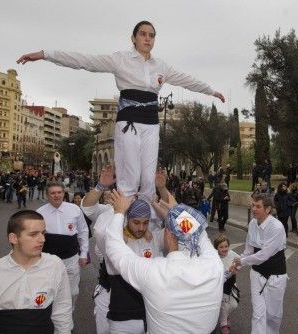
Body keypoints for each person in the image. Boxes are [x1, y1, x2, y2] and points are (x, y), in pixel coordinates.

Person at [17, 20, 225, 212]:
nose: (147, 39)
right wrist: (46, 54)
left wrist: (211, 91)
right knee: (130, 175)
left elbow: (187, 79)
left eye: (151, 35)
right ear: (133, 38)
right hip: (129, 122)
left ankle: (144, 218)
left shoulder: (161, 66)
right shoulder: (120, 60)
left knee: (147, 178)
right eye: (142, 34)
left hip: (151, 124)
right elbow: (84, 61)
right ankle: (123, 214)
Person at [105, 190, 224, 334]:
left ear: (168, 233)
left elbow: (114, 248)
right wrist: (178, 214)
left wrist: (119, 212)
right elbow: (200, 235)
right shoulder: (214, 266)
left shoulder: (154, 273)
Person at [81, 166, 164, 334]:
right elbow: (89, 210)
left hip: (147, 298)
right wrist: (103, 189)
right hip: (112, 290)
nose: (141, 227)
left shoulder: (152, 216)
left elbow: (178, 227)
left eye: (145, 223)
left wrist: (161, 190)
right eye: (136, 222)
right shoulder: (110, 213)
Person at [0, 210, 73, 333]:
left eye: (43, 233)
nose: (42, 239)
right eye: (33, 234)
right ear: (13, 238)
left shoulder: (55, 265)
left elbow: (62, 309)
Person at [233, 193, 287, 334]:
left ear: (268, 209)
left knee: (273, 315)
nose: (254, 209)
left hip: (275, 277)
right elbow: (249, 250)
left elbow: (264, 255)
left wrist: (241, 261)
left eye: (258, 206)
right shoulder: (252, 223)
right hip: (256, 275)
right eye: (253, 205)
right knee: (258, 314)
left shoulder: (277, 227)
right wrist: (237, 265)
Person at [36, 181, 89, 309]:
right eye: (53, 193)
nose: (56, 195)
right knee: (49, 292)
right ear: (47, 195)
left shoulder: (74, 209)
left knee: (72, 292)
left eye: (59, 192)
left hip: (71, 259)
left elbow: (83, 231)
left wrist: (83, 254)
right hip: (48, 261)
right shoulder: (39, 213)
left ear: (64, 193)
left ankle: (67, 321)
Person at [213, 235, 240, 334]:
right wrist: (228, 272)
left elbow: (240, 261)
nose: (224, 249)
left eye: (226, 246)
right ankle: (223, 324)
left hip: (232, 284)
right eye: (221, 247)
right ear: (216, 248)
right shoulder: (215, 258)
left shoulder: (232, 253)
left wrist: (236, 267)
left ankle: (225, 317)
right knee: (224, 305)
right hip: (221, 286)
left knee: (234, 305)